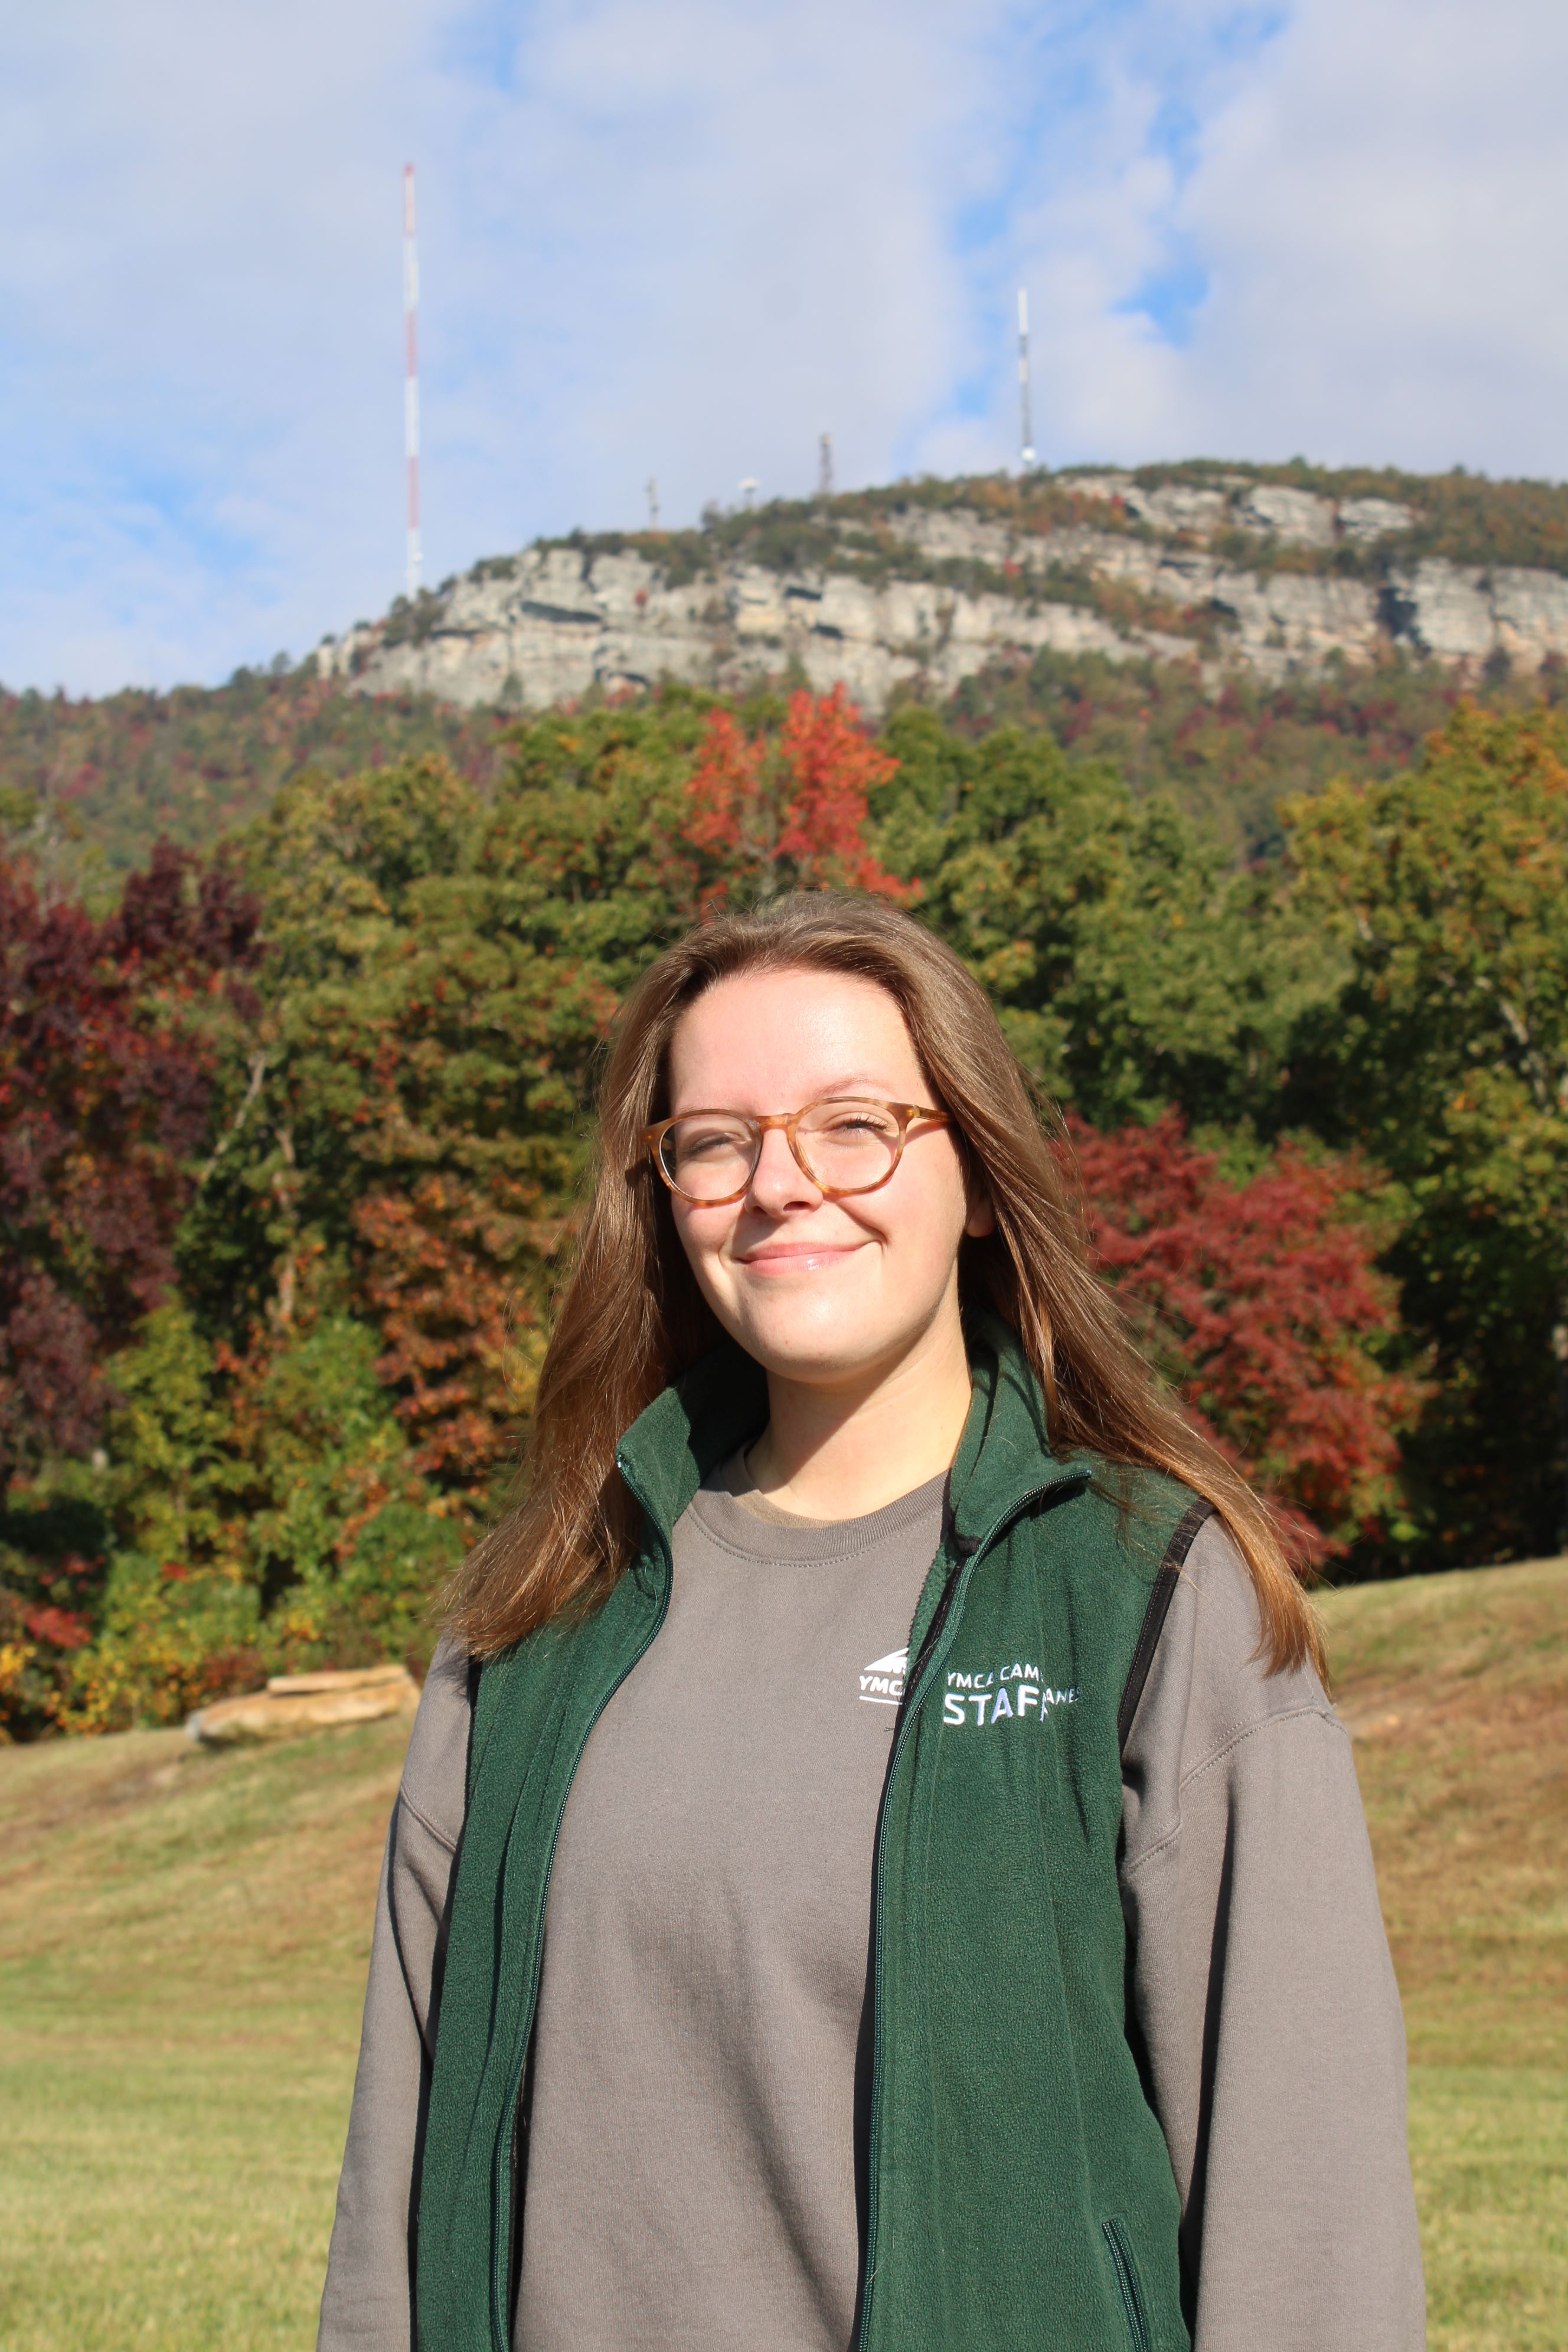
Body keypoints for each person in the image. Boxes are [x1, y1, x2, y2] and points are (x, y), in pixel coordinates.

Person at [318, 891, 1425, 2352]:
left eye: (854, 1125)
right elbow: (395, 2199)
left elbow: (1306, 2218)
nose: (780, 1185)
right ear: (661, 1194)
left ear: (975, 1176)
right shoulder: (532, 1619)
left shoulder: (1143, 1590)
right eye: (715, 1141)